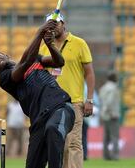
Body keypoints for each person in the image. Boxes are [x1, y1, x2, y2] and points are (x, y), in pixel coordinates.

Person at [0, 19, 75, 168]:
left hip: (59, 106)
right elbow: (26, 62)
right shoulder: (5, 78)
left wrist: (50, 45)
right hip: (38, 120)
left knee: (53, 129)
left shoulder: (36, 58)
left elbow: (59, 62)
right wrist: (40, 32)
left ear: (7, 55)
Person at [38, 11, 95, 168]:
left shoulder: (79, 43)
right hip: (52, 104)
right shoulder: (44, 48)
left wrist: (89, 99)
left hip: (74, 101)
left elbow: (89, 73)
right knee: (59, 144)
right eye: (50, 26)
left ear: (64, 23)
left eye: (56, 24)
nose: (53, 28)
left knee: (73, 143)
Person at [98, 71, 120, 161]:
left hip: (104, 115)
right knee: (114, 136)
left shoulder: (103, 88)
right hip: (112, 115)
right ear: (114, 78)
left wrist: (104, 112)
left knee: (106, 137)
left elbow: (101, 100)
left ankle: (106, 155)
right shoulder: (114, 88)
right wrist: (110, 112)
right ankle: (115, 156)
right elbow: (109, 101)